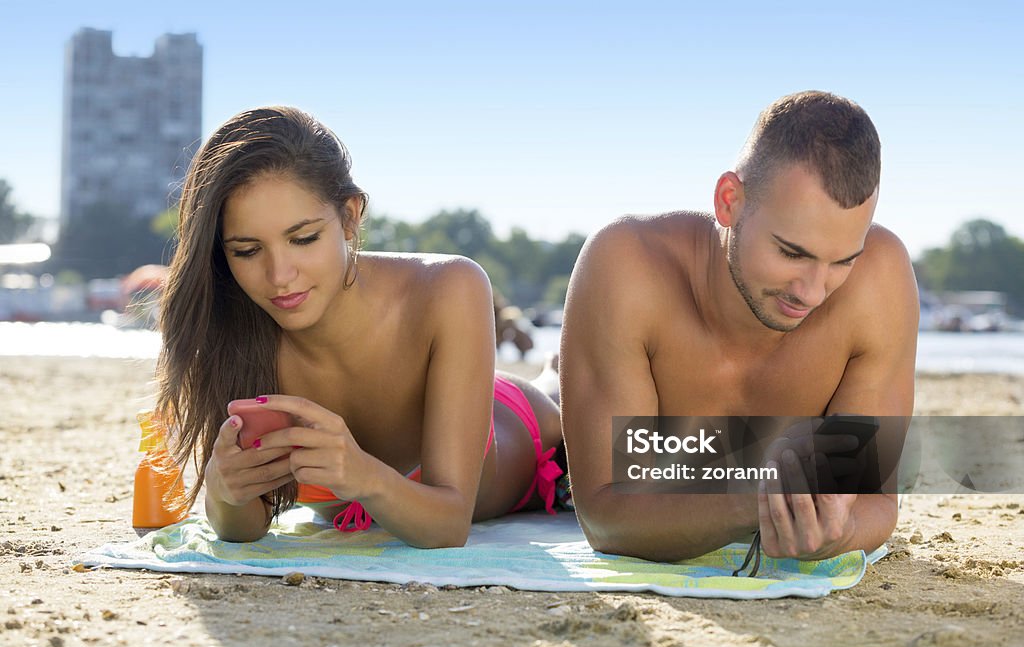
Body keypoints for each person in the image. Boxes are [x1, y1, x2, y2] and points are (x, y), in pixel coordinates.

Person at [154, 106, 563, 547]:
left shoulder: (448, 287)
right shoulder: (230, 325)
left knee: (596, 414)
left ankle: (558, 369)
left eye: (303, 238)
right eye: (248, 251)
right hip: (456, 389)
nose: (279, 276)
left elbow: (449, 525)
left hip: (527, 425)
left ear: (349, 217)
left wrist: (364, 475)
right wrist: (223, 489)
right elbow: (244, 527)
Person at [560, 91, 918, 563]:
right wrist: (761, 501)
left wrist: (842, 529)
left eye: (841, 262)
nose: (812, 292)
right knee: (533, 421)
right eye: (792, 253)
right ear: (729, 201)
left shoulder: (880, 280)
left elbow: (875, 502)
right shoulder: (629, 265)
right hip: (558, 440)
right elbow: (605, 518)